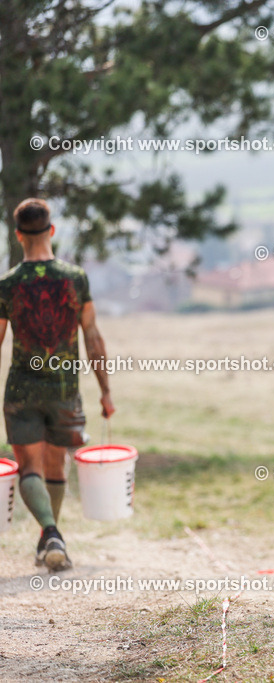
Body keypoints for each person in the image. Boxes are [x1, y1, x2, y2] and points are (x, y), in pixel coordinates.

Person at [0, 198, 115, 571]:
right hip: (65, 390)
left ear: (18, 235)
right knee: (55, 463)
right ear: (51, 231)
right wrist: (106, 391)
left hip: (22, 390)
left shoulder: (7, 285)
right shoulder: (75, 279)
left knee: (28, 466)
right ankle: (50, 538)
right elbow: (93, 337)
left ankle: (49, 532)